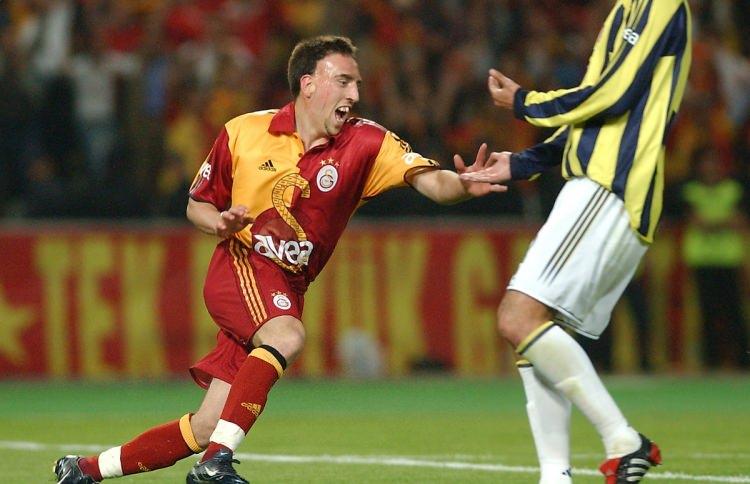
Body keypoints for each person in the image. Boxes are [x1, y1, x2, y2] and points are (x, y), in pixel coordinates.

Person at [53, 35, 504, 484]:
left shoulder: (368, 142)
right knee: (287, 335)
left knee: (208, 424)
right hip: (241, 265)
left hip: (287, 286)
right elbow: (197, 203)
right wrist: (219, 223)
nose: (354, 94)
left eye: (357, 84)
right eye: (343, 81)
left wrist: (463, 185)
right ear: (308, 84)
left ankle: (83, 470)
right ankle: (216, 463)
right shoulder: (244, 132)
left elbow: (433, 183)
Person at [459, 1, 693, 483]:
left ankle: (623, 440)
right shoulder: (629, 8)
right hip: (602, 185)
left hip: (609, 184)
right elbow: (597, 114)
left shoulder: (660, 4)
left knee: (518, 317)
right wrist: (521, 163)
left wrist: (526, 102)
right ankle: (555, 475)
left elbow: (614, 94)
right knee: (538, 334)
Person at [681, 147, 750, 370]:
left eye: (715, 162)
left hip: (729, 258)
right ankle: (710, 362)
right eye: (706, 162)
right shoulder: (690, 190)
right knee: (707, 312)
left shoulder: (733, 189)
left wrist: (712, 224)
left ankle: (742, 361)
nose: (711, 167)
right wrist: (724, 222)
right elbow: (695, 221)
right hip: (702, 260)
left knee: (734, 311)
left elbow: (739, 221)